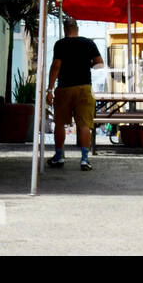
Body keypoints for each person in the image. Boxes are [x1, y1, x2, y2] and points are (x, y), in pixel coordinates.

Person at [45, 17, 104, 170]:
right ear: (77, 28)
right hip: (84, 87)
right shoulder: (89, 43)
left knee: (59, 123)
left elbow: (56, 66)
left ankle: (59, 157)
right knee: (85, 124)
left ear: (65, 29)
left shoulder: (60, 44)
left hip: (65, 88)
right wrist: (87, 64)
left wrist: (50, 89)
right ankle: (84, 159)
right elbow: (99, 63)